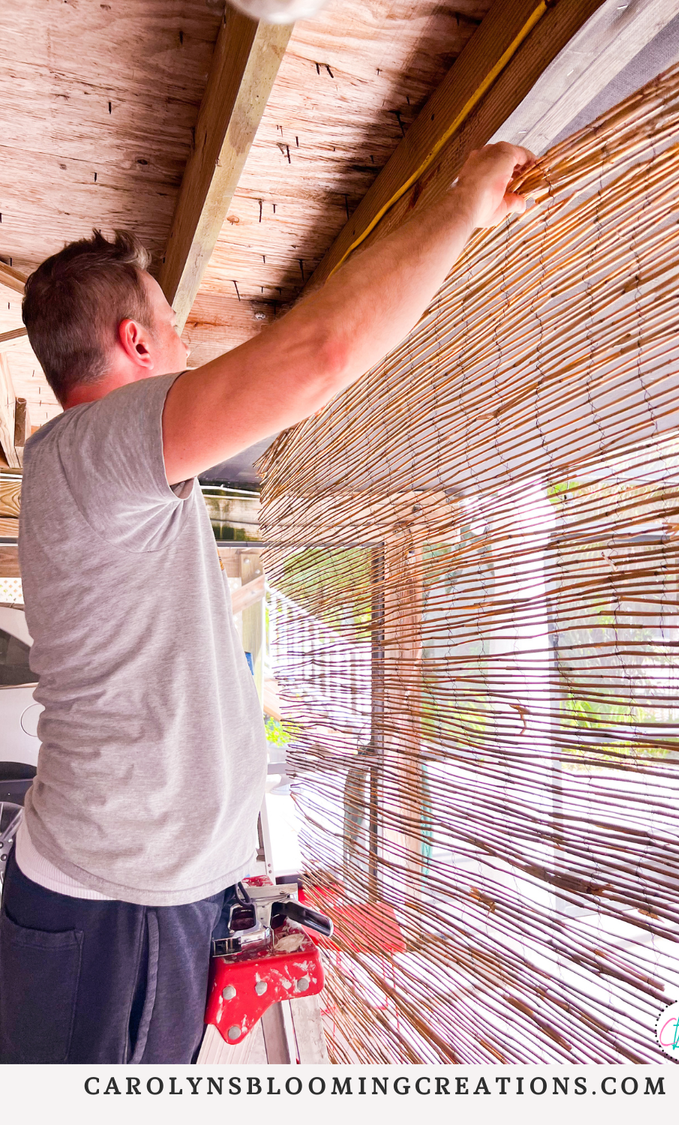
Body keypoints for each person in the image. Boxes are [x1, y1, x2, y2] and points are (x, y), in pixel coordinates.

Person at [0, 141, 534, 1064]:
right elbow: (320, 354)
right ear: (135, 343)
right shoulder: (100, 445)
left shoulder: (94, 470)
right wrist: (458, 209)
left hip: (133, 896)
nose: (187, 348)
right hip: (115, 904)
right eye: (174, 329)